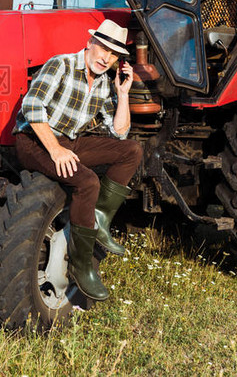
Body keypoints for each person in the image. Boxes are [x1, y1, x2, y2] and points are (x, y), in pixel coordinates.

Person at [13, 19, 143, 301]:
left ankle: (100, 218)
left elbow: (119, 133)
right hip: (35, 139)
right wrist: (55, 150)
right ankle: (82, 266)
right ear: (89, 43)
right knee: (87, 181)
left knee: (131, 151)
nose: (105, 57)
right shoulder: (60, 65)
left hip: (69, 141)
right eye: (102, 48)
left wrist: (123, 94)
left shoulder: (104, 83)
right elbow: (32, 105)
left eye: (113, 54)